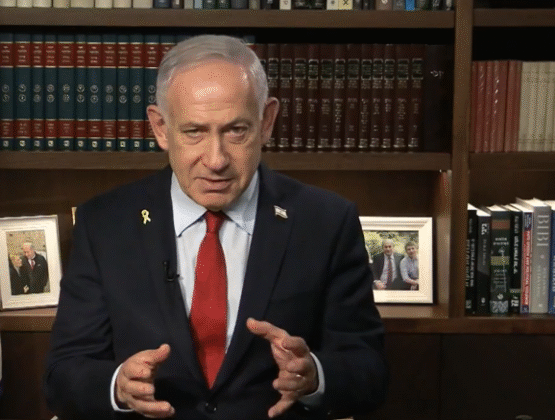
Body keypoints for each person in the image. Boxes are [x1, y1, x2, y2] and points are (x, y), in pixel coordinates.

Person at [45, 35, 387, 420]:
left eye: (236, 130)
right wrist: (118, 386)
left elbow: (370, 371)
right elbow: (63, 375)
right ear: (160, 128)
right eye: (194, 131)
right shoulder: (104, 224)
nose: (216, 160)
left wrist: (315, 377)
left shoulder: (326, 222)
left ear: (267, 121)